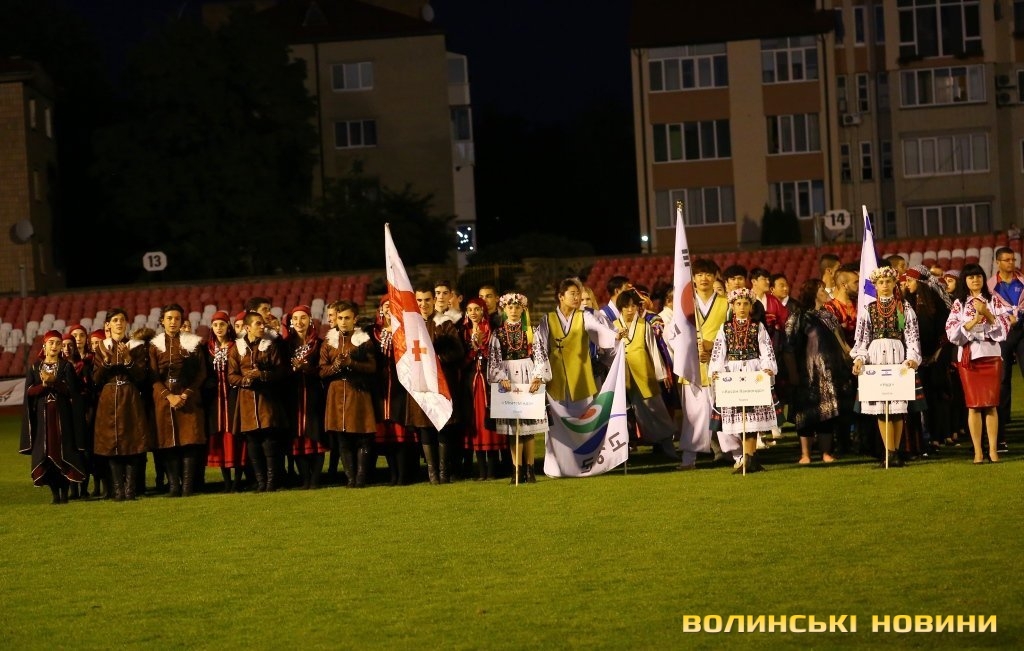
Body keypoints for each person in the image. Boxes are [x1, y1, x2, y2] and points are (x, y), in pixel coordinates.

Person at [850, 267, 923, 468]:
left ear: (894, 283)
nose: (884, 285)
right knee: (881, 409)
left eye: (888, 282)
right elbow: (863, 338)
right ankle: (889, 452)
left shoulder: (903, 308)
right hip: (876, 358)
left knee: (897, 408)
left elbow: (911, 336)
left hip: (897, 356)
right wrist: (859, 358)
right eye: (880, 282)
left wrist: (912, 358)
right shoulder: (869, 309)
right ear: (875, 285)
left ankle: (895, 451)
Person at [708, 288, 780, 474]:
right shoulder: (725, 328)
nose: (741, 307)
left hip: (753, 371)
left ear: (751, 306)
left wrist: (768, 367)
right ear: (732, 306)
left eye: (745, 304)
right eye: (738, 304)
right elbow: (718, 351)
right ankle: (749, 458)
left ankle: (750, 458)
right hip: (733, 373)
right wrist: (716, 370)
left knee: (752, 418)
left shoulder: (758, 326)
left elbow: (766, 348)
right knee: (740, 419)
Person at [783, 280, 853, 464]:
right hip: (807, 374)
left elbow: (842, 344)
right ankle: (805, 454)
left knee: (827, 414)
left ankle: (826, 452)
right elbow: (788, 349)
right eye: (822, 289)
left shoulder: (829, 316)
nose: (826, 292)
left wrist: (854, 358)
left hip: (829, 374)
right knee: (806, 414)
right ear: (813, 293)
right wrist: (793, 374)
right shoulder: (798, 317)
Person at [946, 263, 1009, 464]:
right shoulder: (959, 304)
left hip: (990, 355)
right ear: (964, 281)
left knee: (991, 404)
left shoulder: (994, 300)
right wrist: (974, 320)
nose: (975, 280)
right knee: (973, 405)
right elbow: (951, 332)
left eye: (979, 276)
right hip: (969, 356)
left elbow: (1004, 328)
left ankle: (993, 449)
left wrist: (987, 314)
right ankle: (977, 451)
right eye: (971, 277)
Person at [487, 292, 550, 484]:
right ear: (504, 309)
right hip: (508, 378)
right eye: (510, 307)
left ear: (523, 309)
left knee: (528, 426)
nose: (513, 310)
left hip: (527, 376)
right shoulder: (497, 333)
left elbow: (539, 355)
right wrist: (500, 377)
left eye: (517, 307)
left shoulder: (531, 331)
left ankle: (530, 469)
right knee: (514, 428)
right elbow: (494, 359)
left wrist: (538, 376)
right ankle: (516, 469)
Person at [404, 284, 464, 484]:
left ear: (434, 300)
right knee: (425, 427)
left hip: (441, 383)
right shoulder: (410, 325)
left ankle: (444, 473)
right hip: (420, 384)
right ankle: (432, 474)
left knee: (443, 425)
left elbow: (458, 352)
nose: (423, 304)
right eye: (419, 300)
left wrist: (437, 357)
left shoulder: (444, 324)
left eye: (427, 299)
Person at [20, 330, 87, 504]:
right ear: (44, 346)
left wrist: (54, 382)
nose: (55, 346)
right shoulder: (35, 367)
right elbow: (29, 392)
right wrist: (44, 385)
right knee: (46, 455)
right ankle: (55, 494)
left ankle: (64, 493)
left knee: (63, 453)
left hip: (62, 419)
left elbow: (72, 391)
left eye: (58, 343)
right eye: (51, 343)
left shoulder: (66, 367)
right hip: (43, 420)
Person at [675, 258, 729, 470]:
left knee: (725, 411)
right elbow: (674, 335)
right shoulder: (684, 304)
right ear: (693, 278)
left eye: (708, 274)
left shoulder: (726, 303)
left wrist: (712, 346)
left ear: (715, 276)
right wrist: (692, 349)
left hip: (718, 366)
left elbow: (732, 334)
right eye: (699, 274)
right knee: (693, 416)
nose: (703, 278)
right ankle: (688, 460)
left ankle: (736, 454)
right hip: (692, 367)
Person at [150, 303, 207, 497]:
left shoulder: (192, 342)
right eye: (169, 318)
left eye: (177, 318)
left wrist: (185, 394)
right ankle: (174, 486)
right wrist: (169, 396)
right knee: (168, 442)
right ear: (162, 321)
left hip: (188, 395)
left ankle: (187, 487)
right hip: (164, 397)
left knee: (189, 440)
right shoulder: (155, 345)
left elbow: (201, 373)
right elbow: (153, 376)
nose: (173, 322)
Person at [92, 308, 150, 500]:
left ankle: (130, 489)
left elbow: (141, 376)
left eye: (122, 320)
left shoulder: (136, 346)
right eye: (115, 320)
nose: (119, 323)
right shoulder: (101, 347)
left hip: (130, 397)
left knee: (132, 443)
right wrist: (106, 362)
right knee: (111, 444)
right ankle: (118, 490)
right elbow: (96, 379)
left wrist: (128, 360)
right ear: (108, 325)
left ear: (126, 324)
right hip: (108, 398)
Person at [612, 288, 677, 458]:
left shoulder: (644, 325)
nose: (630, 310)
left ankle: (667, 446)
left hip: (645, 374)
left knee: (657, 410)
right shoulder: (614, 327)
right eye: (626, 307)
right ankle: (628, 450)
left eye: (633, 306)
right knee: (634, 414)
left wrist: (662, 374)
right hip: (624, 377)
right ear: (620, 308)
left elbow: (653, 350)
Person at [535, 277, 616, 413]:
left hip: (580, 374)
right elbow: (539, 347)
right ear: (561, 296)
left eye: (578, 294)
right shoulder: (547, 319)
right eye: (573, 294)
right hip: (556, 375)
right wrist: (539, 374)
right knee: (559, 417)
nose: (577, 298)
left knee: (584, 415)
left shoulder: (584, 316)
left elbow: (597, 327)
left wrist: (614, 335)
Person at [320, 300, 378, 487]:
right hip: (336, 393)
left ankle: (361, 479)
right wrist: (336, 366)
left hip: (358, 392)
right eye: (340, 318)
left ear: (355, 319)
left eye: (347, 318)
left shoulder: (363, 341)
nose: (343, 322)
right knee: (342, 439)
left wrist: (351, 363)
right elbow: (321, 371)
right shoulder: (328, 342)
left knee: (363, 436)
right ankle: (350, 479)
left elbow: (372, 367)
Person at [229, 311, 288, 492]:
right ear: (247, 327)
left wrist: (262, 375)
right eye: (258, 324)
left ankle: (271, 482)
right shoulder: (236, 348)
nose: (262, 326)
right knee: (252, 442)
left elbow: (280, 371)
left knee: (269, 441)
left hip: (267, 399)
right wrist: (245, 380)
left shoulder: (270, 345)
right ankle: (261, 482)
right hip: (246, 400)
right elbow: (231, 376)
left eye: (262, 323)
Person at [460, 297, 506, 480]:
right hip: (471, 385)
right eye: (470, 310)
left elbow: (497, 358)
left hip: (488, 384)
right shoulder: (463, 331)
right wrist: (473, 349)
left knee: (489, 424)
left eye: (477, 309)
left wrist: (482, 347)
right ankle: (481, 471)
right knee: (476, 424)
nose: (473, 313)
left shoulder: (492, 331)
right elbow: (461, 360)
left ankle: (493, 470)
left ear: (483, 311)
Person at [371, 297, 414, 485]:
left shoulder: (406, 331)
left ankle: (403, 475)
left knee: (400, 433)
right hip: (380, 388)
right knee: (386, 435)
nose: (389, 310)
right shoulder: (372, 332)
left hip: (400, 386)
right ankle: (393, 474)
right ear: (381, 309)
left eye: (393, 306)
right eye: (386, 306)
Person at [285, 305, 328, 489]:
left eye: (303, 318)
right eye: (295, 319)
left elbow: (322, 369)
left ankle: (315, 480)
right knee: (296, 437)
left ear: (310, 319)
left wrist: (306, 368)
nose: (299, 322)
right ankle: (305, 480)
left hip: (314, 395)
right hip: (293, 397)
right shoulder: (286, 345)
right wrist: (293, 369)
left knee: (316, 435)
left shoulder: (319, 343)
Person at [203, 311, 245, 492]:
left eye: (222, 324)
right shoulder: (207, 349)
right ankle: (227, 482)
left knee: (236, 435)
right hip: (215, 400)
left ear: (228, 326)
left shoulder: (237, 346)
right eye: (215, 325)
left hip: (234, 396)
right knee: (220, 438)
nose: (219, 328)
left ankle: (237, 481)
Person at [987, 246, 1022, 456]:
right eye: (1007, 260)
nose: (1011, 263)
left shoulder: (1022, 281)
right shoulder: (991, 286)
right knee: (1002, 381)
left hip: (1023, 332)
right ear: (998, 262)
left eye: (1013, 259)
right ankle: (1002, 433)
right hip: (1002, 335)